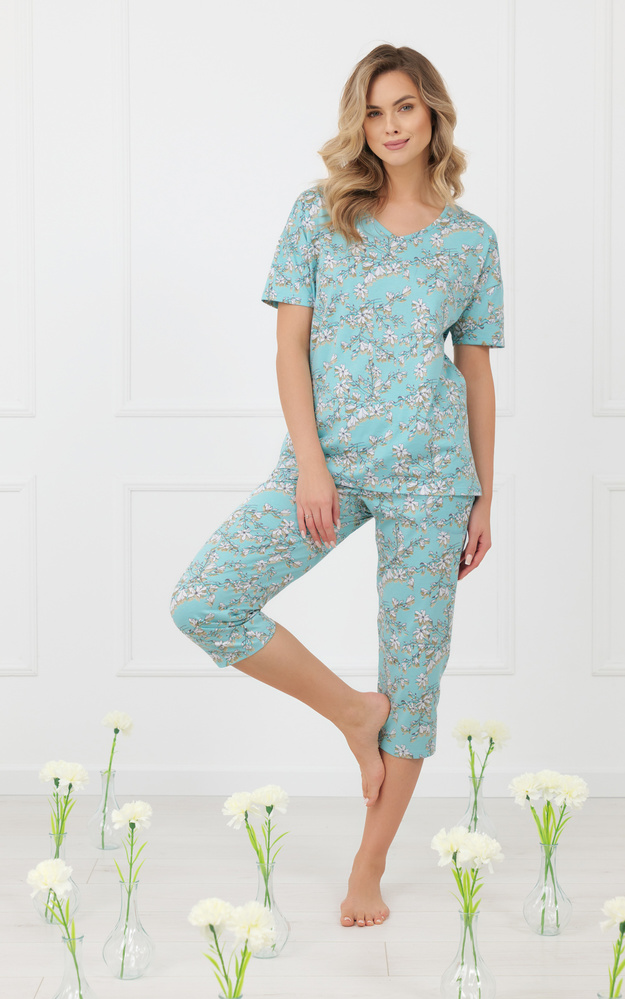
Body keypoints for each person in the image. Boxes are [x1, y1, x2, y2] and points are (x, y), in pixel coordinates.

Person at [169, 43, 504, 929]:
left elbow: (474, 373)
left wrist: (484, 494)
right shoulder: (318, 215)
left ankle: (369, 866)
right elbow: (289, 347)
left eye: (405, 107)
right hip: (329, 465)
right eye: (374, 110)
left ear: (432, 113)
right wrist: (311, 465)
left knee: (415, 678)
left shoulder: (470, 240)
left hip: (433, 477)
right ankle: (353, 714)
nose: (390, 126)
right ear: (358, 122)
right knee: (205, 601)